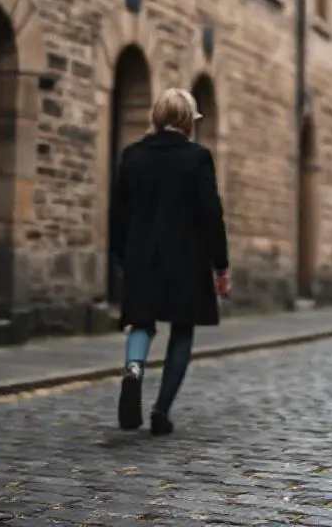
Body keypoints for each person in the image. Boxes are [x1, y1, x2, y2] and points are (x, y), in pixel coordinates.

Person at [109, 87, 230, 436]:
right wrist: (220, 264)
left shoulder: (132, 156)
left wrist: (123, 255)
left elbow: (118, 213)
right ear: (187, 121)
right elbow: (212, 214)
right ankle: (161, 411)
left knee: (141, 322)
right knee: (182, 328)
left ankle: (134, 369)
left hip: (141, 254)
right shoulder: (197, 158)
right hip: (186, 259)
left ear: (157, 116)